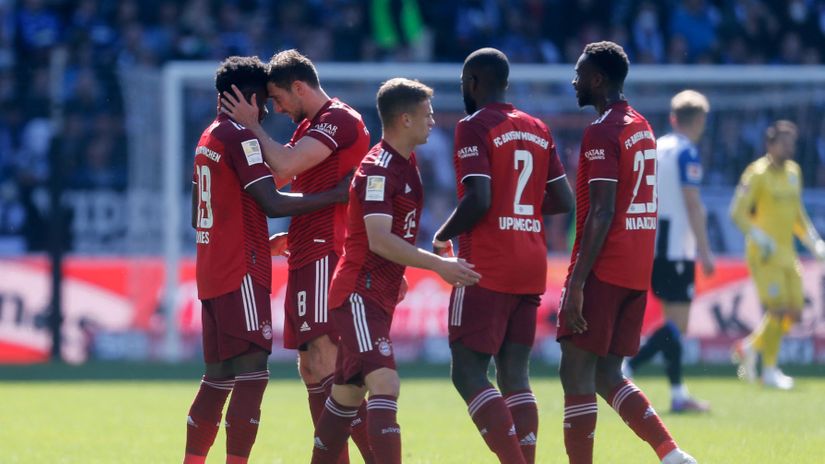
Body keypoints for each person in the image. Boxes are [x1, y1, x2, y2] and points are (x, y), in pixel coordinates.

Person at [184, 56, 351, 464]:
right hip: (240, 269)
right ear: (250, 97)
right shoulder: (240, 136)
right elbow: (272, 201)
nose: (268, 110)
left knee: (218, 377)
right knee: (253, 372)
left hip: (212, 268)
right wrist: (337, 194)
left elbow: (198, 214)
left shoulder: (208, 137)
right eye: (265, 99)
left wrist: (259, 235)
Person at [310, 78, 481, 463]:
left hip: (378, 294)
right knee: (385, 383)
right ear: (404, 119)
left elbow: (389, 237)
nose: (433, 121)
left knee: (346, 397)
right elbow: (379, 239)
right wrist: (438, 265)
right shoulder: (378, 169)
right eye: (427, 114)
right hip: (357, 294)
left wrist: (400, 268)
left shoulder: (407, 163)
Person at [220, 49, 373, 461]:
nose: (276, 109)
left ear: (299, 86)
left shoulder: (339, 119)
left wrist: (251, 125)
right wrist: (290, 230)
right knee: (311, 367)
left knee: (328, 362)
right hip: (307, 247)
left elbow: (284, 164)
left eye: (278, 98)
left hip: (329, 248)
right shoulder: (310, 125)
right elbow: (289, 175)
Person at [556, 42, 697, 464]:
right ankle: (673, 455)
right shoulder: (641, 125)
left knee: (575, 371)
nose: (574, 81)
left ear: (598, 79)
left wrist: (577, 282)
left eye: (580, 73)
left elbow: (601, 211)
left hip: (605, 267)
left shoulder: (602, 130)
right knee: (607, 374)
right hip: (636, 267)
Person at [432, 47, 574, 464]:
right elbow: (562, 199)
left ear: (473, 83)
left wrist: (441, 237)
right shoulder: (537, 127)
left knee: (468, 372)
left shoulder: (473, 126)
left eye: (463, 84)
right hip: (531, 262)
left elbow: (479, 198)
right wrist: (522, 207)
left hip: (486, 266)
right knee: (515, 376)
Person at [623, 90, 714, 413]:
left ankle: (678, 393)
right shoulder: (687, 152)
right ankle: (626, 369)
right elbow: (692, 203)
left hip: (649, 243)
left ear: (673, 117)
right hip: (676, 249)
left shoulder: (655, 146)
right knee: (678, 326)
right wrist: (704, 251)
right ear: (700, 120)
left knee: (671, 325)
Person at [730, 120, 825, 389]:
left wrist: (814, 241)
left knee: (793, 313)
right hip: (764, 254)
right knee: (778, 309)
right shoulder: (756, 174)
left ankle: (749, 347)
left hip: (787, 252)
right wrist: (759, 236)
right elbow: (737, 213)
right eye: (783, 142)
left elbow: (797, 215)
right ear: (769, 144)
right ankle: (769, 370)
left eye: (791, 143)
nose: (788, 147)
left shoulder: (794, 172)